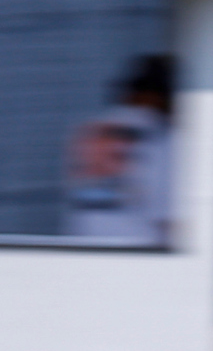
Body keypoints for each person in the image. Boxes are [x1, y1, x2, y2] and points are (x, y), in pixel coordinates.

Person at [64, 54, 174, 247]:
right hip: (139, 261)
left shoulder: (90, 132)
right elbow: (170, 221)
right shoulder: (162, 138)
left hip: (83, 253)